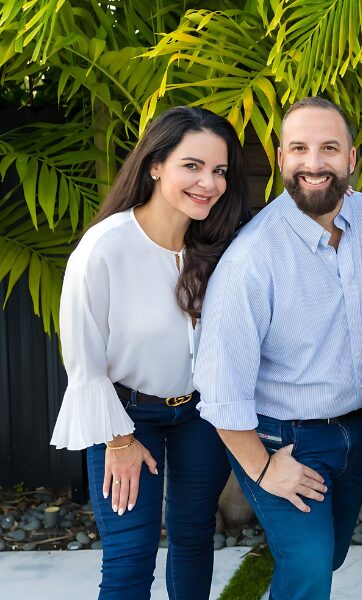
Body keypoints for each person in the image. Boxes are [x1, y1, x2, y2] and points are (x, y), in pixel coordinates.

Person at [193, 97, 362, 600]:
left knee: (327, 555)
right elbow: (220, 393)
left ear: (352, 159)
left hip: (359, 429)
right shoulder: (252, 258)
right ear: (282, 158)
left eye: (329, 148)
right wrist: (264, 467)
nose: (314, 163)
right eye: (300, 149)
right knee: (309, 566)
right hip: (284, 438)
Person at [50, 106, 251, 599]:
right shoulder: (104, 248)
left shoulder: (221, 245)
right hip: (125, 416)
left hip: (201, 416)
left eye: (219, 170)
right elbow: (83, 362)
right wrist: (118, 440)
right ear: (155, 164)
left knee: (193, 541)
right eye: (193, 166)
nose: (208, 182)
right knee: (129, 556)